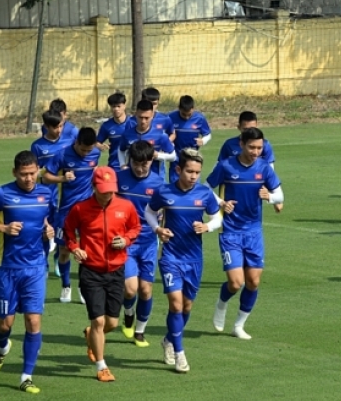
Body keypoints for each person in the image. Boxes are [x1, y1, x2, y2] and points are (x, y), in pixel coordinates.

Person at [0, 150, 55, 394]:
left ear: (38, 170)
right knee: (5, 323)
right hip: (8, 268)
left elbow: (50, 221)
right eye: (23, 175)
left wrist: (49, 231)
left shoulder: (46, 193)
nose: (29, 179)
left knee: (33, 321)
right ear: (14, 173)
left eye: (32, 173)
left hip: (36, 269)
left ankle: (26, 376)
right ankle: (2, 348)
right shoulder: (3, 194)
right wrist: (4, 227)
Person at [144, 149, 222, 373]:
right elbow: (149, 211)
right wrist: (157, 228)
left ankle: (169, 339)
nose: (193, 176)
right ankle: (179, 353)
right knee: (176, 304)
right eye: (189, 171)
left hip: (194, 257)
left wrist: (208, 226)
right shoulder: (164, 192)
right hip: (170, 256)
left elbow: (217, 217)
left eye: (197, 172)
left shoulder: (205, 194)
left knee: (187, 306)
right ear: (178, 170)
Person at [64, 166, 141, 382]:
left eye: (111, 190)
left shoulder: (126, 207)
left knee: (112, 324)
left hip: (117, 270)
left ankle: (91, 335)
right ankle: (101, 365)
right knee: (98, 321)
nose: (108, 194)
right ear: (94, 187)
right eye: (104, 189)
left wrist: (126, 240)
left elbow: (135, 228)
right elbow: (68, 231)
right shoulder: (81, 209)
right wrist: (75, 248)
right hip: (91, 271)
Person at [206, 127, 283, 340]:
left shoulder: (264, 168)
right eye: (251, 147)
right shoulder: (226, 166)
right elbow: (205, 189)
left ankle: (239, 325)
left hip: (253, 232)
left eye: (259, 148)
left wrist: (269, 196)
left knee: (254, 282)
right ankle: (221, 304)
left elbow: (280, 196)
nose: (255, 152)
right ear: (241, 144)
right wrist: (221, 202)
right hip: (230, 231)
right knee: (235, 282)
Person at [43, 127, 102, 303]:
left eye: (88, 150)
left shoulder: (95, 154)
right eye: (83, 149)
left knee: (86, 251)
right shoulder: (62, 155)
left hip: (87, 211)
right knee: (64, 251)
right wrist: (62, 178)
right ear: (76, 142)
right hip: (66, 211)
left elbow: (95, 170)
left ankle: (82, 287)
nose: (85, 153)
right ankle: (65, 285)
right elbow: (46, 176)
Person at [116, 141, 165, 347]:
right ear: (130, 161)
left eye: (145, 164)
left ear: (151, 161)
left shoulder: (158, 183)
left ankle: (140, 331)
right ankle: (128, 314)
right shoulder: (120, 178)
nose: (140, 168)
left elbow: (163, 211)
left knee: (145, 290)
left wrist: (163, 229)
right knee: (130, 289)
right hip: (126, 242)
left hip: (148, 242)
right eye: (136, 163)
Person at [217, 111, 282, 212]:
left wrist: (269, 190)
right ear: (239, 127)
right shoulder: (229, 144)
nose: (250, 132)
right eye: (246, 129)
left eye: (253, 128)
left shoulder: (264, 144)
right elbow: (220, 165)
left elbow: (269, 167)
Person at [30, 110, 69, 272]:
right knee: (46, 230)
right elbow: (33, 170)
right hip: (45, 194)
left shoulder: (69, 142)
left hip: (64, 195)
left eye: (61, 126)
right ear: (46, 126)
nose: (59, 130)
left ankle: (59, 257)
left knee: (62, 230)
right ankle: (43, 262)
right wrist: (44, 173)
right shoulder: (37, 146)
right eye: (55, 127)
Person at [118, 99, 177, 179]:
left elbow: (173, 156)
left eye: (146, 118)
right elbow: (121, 150)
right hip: (132, 177)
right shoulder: (127, 134)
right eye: (140, 117)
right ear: (136, 114)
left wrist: (159, 156)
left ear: (152, 115)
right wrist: (122, 165)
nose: (143, 121)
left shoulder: (161, 135)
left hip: (156, 179)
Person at [167, 95, 212, 183]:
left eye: (189, 114)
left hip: (193, 158)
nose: (186, 117)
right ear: (179, 108)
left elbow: (208, 134)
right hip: (176, 158)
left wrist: (203, 140)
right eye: (184, 114)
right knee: (175, 186)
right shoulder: (170, 117)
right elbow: (164, 133)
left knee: (193, 187)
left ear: (193, 109)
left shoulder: (199, 118)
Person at [95, 92, 134, 169]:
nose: (116, 109)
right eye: (113, 106)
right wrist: (100, 146)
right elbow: (96, 143)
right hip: (115, 166)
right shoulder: (106, 126)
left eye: (119, 106)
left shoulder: (134, 123)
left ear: (124, 106)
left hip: (133, 165)